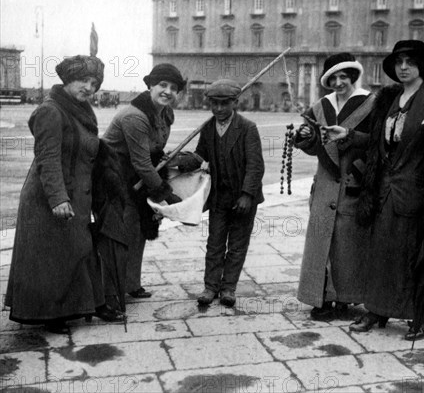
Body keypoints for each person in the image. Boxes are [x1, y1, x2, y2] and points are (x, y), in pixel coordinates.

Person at [349, 39, 424, 341]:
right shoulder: (388, 99)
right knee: (380, 254)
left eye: (410, 62)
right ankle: (377, 309)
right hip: (383, 192)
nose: (403, 68)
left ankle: (421, 316)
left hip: (417, 194)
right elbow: (378, 142)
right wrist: (348, 135)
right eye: (399, 62)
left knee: (416, 256)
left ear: (423, 67)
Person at [4, 55, 123, 333]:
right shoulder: (52, 111)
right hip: (49, 199)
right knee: (52, 257)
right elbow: (47, 158)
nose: (89, 88)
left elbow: (87, 150)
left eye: (94, 83)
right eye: (83, 80)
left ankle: (91, 303)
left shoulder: (79, 110)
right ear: (68, 79)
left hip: (77, 196)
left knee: (81, 250)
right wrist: (58, 198)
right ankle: (51, 312)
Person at [293, 52, 375, 320]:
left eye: (344, 77)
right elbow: (315, 146)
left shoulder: (371, 103)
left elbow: (378, 142)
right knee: (320, 243)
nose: (339, 83)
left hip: (355, 181)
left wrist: (351, 137)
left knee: (347, 244)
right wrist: (304, 138)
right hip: (326, 182)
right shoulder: (319, 107)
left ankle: (346, 298)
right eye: (333, 78)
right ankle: (321, 297)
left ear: (353, 77)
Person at [176, 79, 264, 308]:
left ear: (235, 102)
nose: (218, 109)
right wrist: (179, 161)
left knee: (236, 244)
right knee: (214, 243)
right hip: (218, 197)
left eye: (224, 104)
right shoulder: (208, 127)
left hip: (243, 199)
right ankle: (210, 286)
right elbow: (199, 155)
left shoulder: (248, 128)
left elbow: (256, 166)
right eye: (214, 104)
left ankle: (228, 288)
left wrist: (246, 194)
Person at [101, 64, 185, 304]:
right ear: (150, 85)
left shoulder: (166, 114)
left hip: (139, 176)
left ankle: (131, 284)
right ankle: (110, 293)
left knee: (138, 231)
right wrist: (167, 195)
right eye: (162, 85)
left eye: (173, 88)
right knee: (120, 232)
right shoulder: (134, 117)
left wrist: (173, 160)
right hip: (116, 176)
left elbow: (154, 153)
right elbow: (142, 163)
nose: (167, 91)